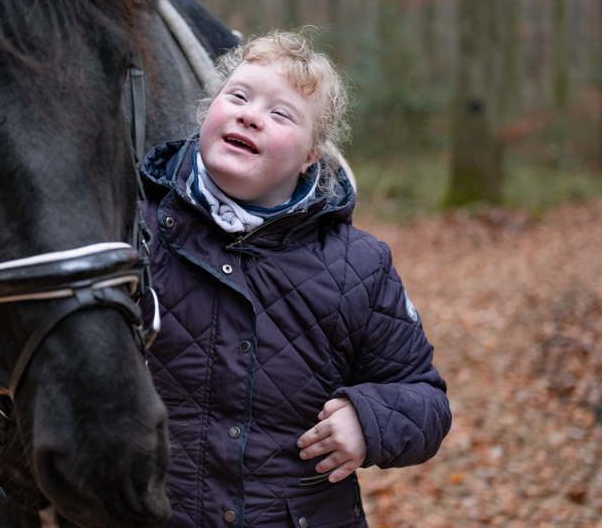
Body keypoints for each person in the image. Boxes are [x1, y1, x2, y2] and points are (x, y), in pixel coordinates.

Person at [138, 29, 451, 528]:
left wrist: (367, 421)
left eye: (280, 114)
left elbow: (427, 399)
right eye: (237, 96)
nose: (250, 114)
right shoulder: (134, 227)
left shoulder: (358, 266)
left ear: (311, 155)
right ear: (208, 111)